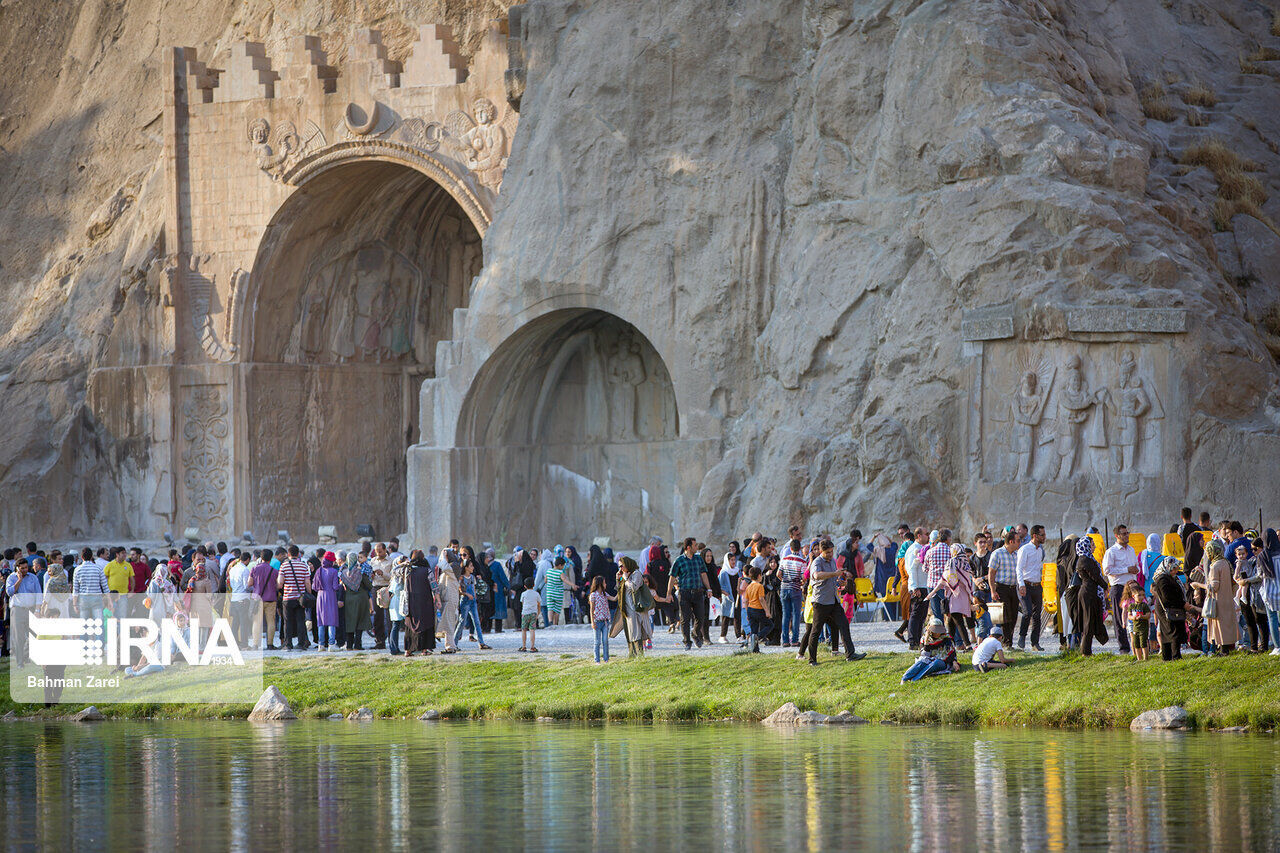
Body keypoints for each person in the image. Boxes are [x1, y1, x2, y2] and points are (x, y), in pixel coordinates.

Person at [803, 539, 865, 665]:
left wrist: (840, 581)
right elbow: (816, 575)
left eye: (832, 551)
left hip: (833, 600)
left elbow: (834, 578)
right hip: (820, 602)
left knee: (844, 624)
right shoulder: (817, 562)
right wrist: (834, 574)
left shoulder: (832, 561)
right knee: (816, 630)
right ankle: (812, 660)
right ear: (821, 551)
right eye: (828, 552)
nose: (831, 554)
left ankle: (850, 654)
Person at [1194, 539, 1237, 655]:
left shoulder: (1215, 566)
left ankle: (1223, 651)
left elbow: (1213, 587)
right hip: (1228, 598)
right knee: (1226, 624)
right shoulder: (1225, 563)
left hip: (1218, 600)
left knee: (1220, 625)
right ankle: (1225, 649)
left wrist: (1197, 585)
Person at [669, 537, 712, 650]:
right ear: (688, 547)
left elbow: (703, 574)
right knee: (685, 619)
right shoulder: (679, 560)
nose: (696, 547)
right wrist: (669, 593)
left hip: (698, 592)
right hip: (684, 593)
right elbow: (672, 577)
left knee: (700, 617)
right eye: (694, 545)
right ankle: (687, 641)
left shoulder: (698, 559)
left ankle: (695, 633)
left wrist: (709, 589)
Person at [1069, 536, 1108, 656]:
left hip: (1090, 592)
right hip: (1088, 593)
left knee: (1091, 621)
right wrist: (1105, 586)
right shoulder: (1085, 560)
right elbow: (1095, 576)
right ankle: (1085, 651)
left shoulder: (1087, 559)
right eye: (1092, 544)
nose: (1094, 547)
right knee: (1088, 622)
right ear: (1085, 546)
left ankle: (1087, 650)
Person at [1101, 525, 1138, 654]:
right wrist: (1126, 570)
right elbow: (1107, 571)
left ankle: (1137, 645)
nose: (1127, 535)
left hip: (1131, 586)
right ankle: (1124, 647)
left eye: (1127, 533)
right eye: (1124, 534)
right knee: (1119, 618)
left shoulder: (1131, 550)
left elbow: (1135, 565)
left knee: (1134, 615)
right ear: (1117, 536)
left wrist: (1134, 570)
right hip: (1118, 586)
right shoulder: (1111, 552)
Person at [613, 556, 653, 658]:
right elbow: (619, 589)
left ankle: (639, 654)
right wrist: (618, 579)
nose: (620, 568)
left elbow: (634, 587)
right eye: (619, 567)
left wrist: (626, 578)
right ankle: (632, 654)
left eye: (622, 566)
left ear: (627, 564)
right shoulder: (624, 575)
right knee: (629, 632)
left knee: (636, 632)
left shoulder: (636, 574)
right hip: (626, 608)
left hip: (635, 608)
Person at [1015, 524, 1046, 650]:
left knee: (1037, 615)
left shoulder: (1040, 550)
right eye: (1042, 535)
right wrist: (1021, 584)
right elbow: (1019, 568)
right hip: (1025, 584)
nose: (1044, 537)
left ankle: (1035, 642)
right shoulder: (1025, 549)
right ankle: (1022, 637)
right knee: (1027, 612)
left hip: (1037, 585)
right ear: (1035, 536)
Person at [1150, 556, 1188, 660]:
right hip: (1166, 608)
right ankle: (1175, 656)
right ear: (1167, 567)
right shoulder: (1162, 579)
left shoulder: (1169, 577)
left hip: (1170, 607)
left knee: (1168, 631)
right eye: (1174, 568)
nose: (1176, 571)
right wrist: (1182, 604)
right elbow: (1167, 597)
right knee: (1172, 631)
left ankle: (1168, 657)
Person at [276, 545, 312, 651]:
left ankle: (288, 644)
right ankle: (301, 644)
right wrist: (308, 594)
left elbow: (280, 583)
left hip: (288, 598)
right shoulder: (304, 566)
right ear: (298, 554)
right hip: (300, 598)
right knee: (301, 621)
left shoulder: (284, 566)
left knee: (287, 622)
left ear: (288, 554)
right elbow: (307, 583)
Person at [987, 532, 1020, 647]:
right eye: (1017, 540)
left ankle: (1009, 640)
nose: (1019, 543)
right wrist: (993, 590)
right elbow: (991, 573)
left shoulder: (1017, 554)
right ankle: (1007, 642)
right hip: (1002, 588)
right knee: (1006, 615)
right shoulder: (997, 553)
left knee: (1014, 614)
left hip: (1014, 588)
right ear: (1011, 541)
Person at [403, 552, 437, 656]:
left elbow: (395, 572)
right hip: (425, 601)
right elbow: (434, 586)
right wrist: (438, 599)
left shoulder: (407, 571)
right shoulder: (427, 571)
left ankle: (408, 650)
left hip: (410, 601)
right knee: (425, 623)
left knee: (410, 624)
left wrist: (405, 564)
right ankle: (424, 650)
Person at [454, 557, 492, 650]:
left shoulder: (472, 577)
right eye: (471, 566)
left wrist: (474, 596)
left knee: (477, 622)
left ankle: (481, 643)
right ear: (466, 567)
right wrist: (467, 594)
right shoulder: (461, 578)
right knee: (461, 622)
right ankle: (454, 643)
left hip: (473, 602)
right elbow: (459, 590)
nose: (473, 568)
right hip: (465, 601)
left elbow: (474, 588)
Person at [778, 539, 806, 647]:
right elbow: (803, 577)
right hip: (795, 589)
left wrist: (785, 581)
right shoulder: (802, 561)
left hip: (784, 588)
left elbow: (778, 574)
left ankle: (785, 640)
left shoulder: (784, 559)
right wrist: (801, 582)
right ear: (800, 549)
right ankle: (794, 640)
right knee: (796, 615)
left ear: (790, 548)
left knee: (785, 614)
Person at [250, 549, 279, 649]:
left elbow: (249, 583)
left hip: (257, 599)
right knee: (271, 621)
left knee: (256, 622)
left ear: (261, 558)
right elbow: (278, 585)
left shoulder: (254, 569)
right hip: (270, 599)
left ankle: (255, 644)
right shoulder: (274, 571)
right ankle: (270, 644)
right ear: (270, 558)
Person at [743, 566, 772, 653]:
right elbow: (761, 599)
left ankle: (755, 650)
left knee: (753, 629)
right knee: (770, 625)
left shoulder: (748, 587)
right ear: (759, 576)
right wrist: (767, 611)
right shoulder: (759, 586)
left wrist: (747, 613)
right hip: (758, 609)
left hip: (750, 610)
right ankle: (758, 637)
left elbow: (746, 601)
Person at [1120, 581, 1150, 661]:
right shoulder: (1128, 601)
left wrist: (1143, 617)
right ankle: (1135, 655)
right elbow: (1125, 612)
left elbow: (1148, 614)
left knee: (1143, 640)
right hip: (1132, 622)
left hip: (1142, 623)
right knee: (1134, 639)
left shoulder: (1143, 603)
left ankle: (1145, 656)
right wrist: (1124, 622)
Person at [718, 544, 742, 643]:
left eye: (734, 560)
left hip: (736, 597)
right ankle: (722, 636)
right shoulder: (723, 572)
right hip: (727, 597)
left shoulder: (737, 571)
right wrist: (725, 593)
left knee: (737, 617)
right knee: (725, 617)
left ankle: (738, 636)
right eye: (731, 560)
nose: (733, 562)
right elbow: (718, 586)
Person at [589, 576, 614, 663]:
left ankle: (606, 659)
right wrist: (592, 622)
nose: (605, 584)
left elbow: (614, 599)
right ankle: (597, 660)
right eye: (604, 583)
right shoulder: (593, 595)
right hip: (597, 621)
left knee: (605, 640)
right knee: (597, 642)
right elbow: (591, 609)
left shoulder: (605, 594)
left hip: (605, 621)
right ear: (600, 584)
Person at [487, 548, 509, 633]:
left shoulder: (485, 565)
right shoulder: (497, 565)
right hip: (498, 590)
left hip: (488, 590)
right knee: (498, 609)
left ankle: (487, 628)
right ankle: (498, 629)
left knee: (489, 609)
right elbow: (503, 577)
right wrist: (507, 586)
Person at [519, 584, 541, 653]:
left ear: (525, 586)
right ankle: (532, 647)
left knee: (524, 630)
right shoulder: (536, 594)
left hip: (525, 613)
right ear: (534, 585)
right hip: (533, 613)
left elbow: (522, 603)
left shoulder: (523, 594)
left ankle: (524, 646)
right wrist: (538, 613)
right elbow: (539, 604)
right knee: (532, 630)